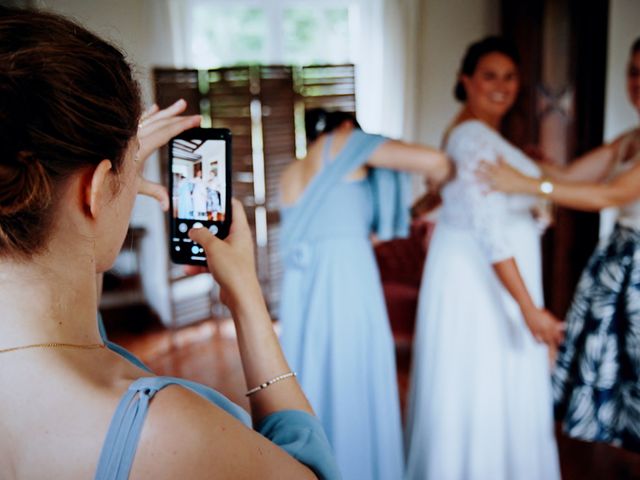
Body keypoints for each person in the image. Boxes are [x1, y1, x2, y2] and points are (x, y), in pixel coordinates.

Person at [0, 7, 339, 479]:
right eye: (130, 167)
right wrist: (245, 294)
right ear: (95, 189)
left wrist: (97, 189)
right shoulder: (169, 433)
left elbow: (65, 287)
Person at [405, 36, 564, 480]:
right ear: (466, 80)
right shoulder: (472, 137)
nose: (501, 86)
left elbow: (458, 204)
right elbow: (491, 232)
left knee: (486, 381)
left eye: (510, 77)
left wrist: (536, 199)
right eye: (490, 75)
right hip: (483, 278)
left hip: (479, 267)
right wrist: (529, 309)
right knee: (483, 380)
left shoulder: (473, 133)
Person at [477, 36, 640, 453]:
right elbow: (570, 175)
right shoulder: (629, 139)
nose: (638, 82)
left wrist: (528, 183)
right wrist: (522, 163)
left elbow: (609, 195)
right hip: (619, 261)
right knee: (618, 374)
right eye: (634, 72)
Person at [278, 108, 451, 480]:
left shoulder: (293, 172)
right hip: (346, 282)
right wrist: (446, 181)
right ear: (345, 130)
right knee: (352, 374)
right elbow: (436, 161)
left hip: (303, 287)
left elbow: (359, 224)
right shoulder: (343, 143)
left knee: (312, 378)